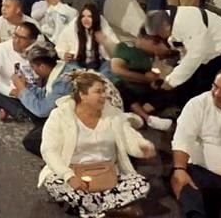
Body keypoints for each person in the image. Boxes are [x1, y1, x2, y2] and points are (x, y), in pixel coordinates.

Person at [38, 72, 154, 218]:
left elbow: (129, 137)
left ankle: (91, 210)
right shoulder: (60, 116)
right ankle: (112, 208)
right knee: (54, 182)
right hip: (74, 172)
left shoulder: (114, 114)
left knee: (141, 184)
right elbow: (49, 150)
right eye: (98, 92)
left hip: (108, 172)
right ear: (82, 95)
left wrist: (142, 147)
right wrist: (69, 176)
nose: (104, 95)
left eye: (104, 91)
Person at [170, 68, 221, 218]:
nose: (216, 93)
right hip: (201, 172)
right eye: (215, 86)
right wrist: (179, 169)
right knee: (185, 185)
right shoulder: (198, 104)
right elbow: (183, 138)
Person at [143, 8, 221, 103]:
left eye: (159, 33)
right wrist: (171, 75)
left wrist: (171, 81)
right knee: (191, 83)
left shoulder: (188, 18)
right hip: (212, 55)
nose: (160, 36)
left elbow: (196, 53)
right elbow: (185, 53)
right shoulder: (173, 26)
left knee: (205, 86)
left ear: (165, 26)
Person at [0, 21, 41, 121]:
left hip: (29, 92)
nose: (16, 40)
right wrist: (11, 91)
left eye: (22, 38)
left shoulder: (39, 51)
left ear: (32, 41)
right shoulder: (2, 48)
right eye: (15, 35)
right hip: (6, 91)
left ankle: (8, 109)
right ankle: (18, 112)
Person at [55, 4, 118, 74]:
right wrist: (64, 55)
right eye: (83, 16)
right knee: (67, 76)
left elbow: (116, 50)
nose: (85, 19)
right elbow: (60, 47)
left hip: (99, 63)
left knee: (111, 70)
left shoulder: (102, 26)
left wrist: (105, 42)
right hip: (78, 64)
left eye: (89, 16)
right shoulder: (73, 27)